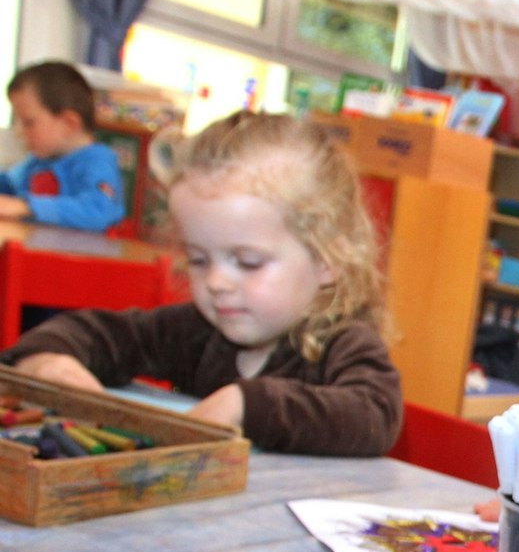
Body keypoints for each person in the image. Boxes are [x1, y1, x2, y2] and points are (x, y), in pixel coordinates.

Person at [0, 111, 401, 455]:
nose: (216, 282)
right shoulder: (197, 331)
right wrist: (51, 361)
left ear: (328, 259)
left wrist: (246, 404)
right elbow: (90, 333)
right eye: (198, 259)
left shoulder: (342, 342)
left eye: (248, 262)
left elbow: (375, 415)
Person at [0, 61, 124, 231]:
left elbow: (98, 211)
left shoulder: (98, 161)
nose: (19, 132)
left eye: (28, 123)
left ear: (69, 123)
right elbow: (9, 184)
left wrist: (25, 206)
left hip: (77, 248)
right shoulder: (37, 161)